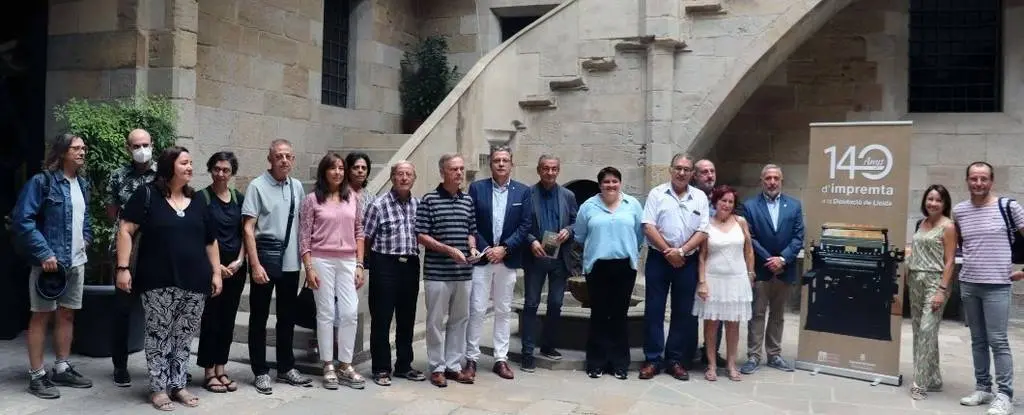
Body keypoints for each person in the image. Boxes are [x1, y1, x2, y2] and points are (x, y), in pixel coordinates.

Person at [115, 146, 223, 410]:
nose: (190, 167)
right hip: (158, 281)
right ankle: (157, 388)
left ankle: (178, 385)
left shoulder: (197, 200)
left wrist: (217, 272)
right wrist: (123, 267)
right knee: (158, 335)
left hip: (195, 281)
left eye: (190, 163)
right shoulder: (148, 195)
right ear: (169, 167)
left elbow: (210, 241)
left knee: (184, 336)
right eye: (184, 163)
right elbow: (126, 229)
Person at [11, 133, 94, 399]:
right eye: (76, 148)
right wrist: (44, 252)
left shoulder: (82, 183)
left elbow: (85, 220)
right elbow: (22, 220)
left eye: (83, 148)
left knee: (68, 313)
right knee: (41, 315)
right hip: (49, 264)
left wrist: (87, 239)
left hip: (76, 261)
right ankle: (37, 376)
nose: (82, 152)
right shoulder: (42, 182)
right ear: (62, 152)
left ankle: (61, 367)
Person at [241, 139, 312, 394]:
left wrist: (307, 262)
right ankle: (260, 371)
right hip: (264, 263)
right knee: (259, 318)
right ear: (269, 159)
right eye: (279, 156)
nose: (284, 160)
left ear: (293, 160)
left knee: (287, 318)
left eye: (288, 156)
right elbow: (248, 228)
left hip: (291, 264)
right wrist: (255, 264)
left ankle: (286, 367)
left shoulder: (296, 187)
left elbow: (303, 226)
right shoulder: (257, 186)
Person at [953, 161, 1023, 415]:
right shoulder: (960, 211)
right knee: (978, 340)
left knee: (999, 341)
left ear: (991, 181)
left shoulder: (1009, 207)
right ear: (967, 181)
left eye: (983, 179)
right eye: (974, 179)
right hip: (969, 283)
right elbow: (962, 245)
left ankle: (1004, 395)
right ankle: (983, 387)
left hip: (997, 286)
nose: (978, 183)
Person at [639, 153, 709, 381]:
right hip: (659, 259)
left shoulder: (699, 197)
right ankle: (652, 359)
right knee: (654, 311)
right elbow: (648, 226)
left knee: (682, 313)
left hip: (687, 261)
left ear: (692, 173)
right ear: (670, 170)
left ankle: (675, 360)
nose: (682, 172)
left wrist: (681, 251)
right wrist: (669, 252)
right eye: (678, 168)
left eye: (686, 169)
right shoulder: (657, 194)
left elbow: (703, 230)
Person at [299, 152, 366, 390]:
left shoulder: (352, 198)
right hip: (321, 260)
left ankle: (345, 364)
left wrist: (360, 264)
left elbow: (360, 232)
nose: (337, 172)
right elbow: (304, 236)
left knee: (349, 312)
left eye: (340, 168)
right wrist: (308, 268)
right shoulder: (311, 200)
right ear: (324, 172)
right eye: (332, 168)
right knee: (326, 312)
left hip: (348, 260)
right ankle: (328, 363)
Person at [465, 145, 532, 381]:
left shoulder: (523, 191)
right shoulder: (477, 188)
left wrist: (504, 248)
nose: (501, 164)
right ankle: (471, 358)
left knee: (503, 310)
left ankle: (500, 359)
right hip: (483, 259)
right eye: (496, 160)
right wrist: (487, 249)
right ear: (490, 164)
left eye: (505, 160)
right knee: (477, 309)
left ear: (511, 163)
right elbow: (471, 221)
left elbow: (525, 225)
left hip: (508, 258)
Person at [574, 167, 644, 380]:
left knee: (619, 316)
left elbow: (639, 236)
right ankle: (596, 362)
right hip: (597, 267)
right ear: (600, 185)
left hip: (624, 266)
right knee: (599, 315)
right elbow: (580, 235)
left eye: (614, 181)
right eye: (606, 182)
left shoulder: (632, 205)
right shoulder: (588, 206)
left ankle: (619, 364)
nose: (611, 185)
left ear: (620, 183)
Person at [415, 153, 478, 388]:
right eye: (454, 169)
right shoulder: (429, 199)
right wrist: (449, 250)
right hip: (437, 273)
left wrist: (472, 247)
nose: (459, 173)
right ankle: (437, 367)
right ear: (442, 172)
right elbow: (421, 235)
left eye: (461, 169)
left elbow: (471, 229)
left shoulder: (467, 201)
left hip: (463, 273)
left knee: (460, 320)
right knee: (434, 322)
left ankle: (453, 366)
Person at [365, 161, 426, 386]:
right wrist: (366, 265)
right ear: (392, 177)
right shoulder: (378, 205)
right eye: (399, 174)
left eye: (408, 174)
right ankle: (381, 368)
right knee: (381, 318)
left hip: (410, 265)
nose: (404, 178)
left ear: (413, 179)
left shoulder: (418, 205)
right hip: (385, 265)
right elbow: (367, 238)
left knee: (407, 318)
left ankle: (403, 365)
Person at [739, 164, 804, 375]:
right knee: (757, 313)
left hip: (785, 270)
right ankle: (753, 356)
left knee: (778, 314)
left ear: (781, 180)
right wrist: (769, 259)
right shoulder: (750, 206)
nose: (772, 182)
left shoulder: (794, 206)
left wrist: (783, 259)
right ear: (762, 181)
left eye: (776, 178)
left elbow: (798, 237)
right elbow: (750, 238)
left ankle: (774, 354)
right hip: (761, 268)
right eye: (768, 178)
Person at [106, 128, 157, 388]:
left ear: (153, 144)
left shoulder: (163, 174)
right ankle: (120, 366)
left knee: (158, 311)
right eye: (136, 146)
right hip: (127, 250)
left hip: (157, 250)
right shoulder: (118, 176)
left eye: (145, 144)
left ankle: (160, 365)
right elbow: (112, 211)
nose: (141, 150)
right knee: (122, 310)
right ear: (128, 148)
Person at [520, 155, 578, 372]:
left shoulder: (568, 196)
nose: (550, 173)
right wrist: (531, 240)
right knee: (531, 304)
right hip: (535, 257)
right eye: (546, 169)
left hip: (559, 258)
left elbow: (575, 221)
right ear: (538, 170)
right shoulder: (528, 194)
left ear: (559, 170)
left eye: (554, 169)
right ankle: (527, 353)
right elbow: (521, 224)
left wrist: (568, 231)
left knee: (555, 303)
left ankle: (548, 345)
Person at [196, 151, 247, 394]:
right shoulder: (202, 198)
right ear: (210, 169)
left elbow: (247, 232)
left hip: (236, 269)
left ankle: (221, 367)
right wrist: (216, 268)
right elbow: (199, 237)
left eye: (226, 170)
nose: (221, 174)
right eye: (217, 169)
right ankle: (208, 371)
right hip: (211, 270)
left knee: (228, 320)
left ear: (232, 173)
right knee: (211, 320)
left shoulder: (239, 198)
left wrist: (239, 261)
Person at [693, 185, 754, 382]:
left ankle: (731, 364)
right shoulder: (707, 224)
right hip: (713, 278)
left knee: (733, 324)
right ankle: (711, 364)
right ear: (715, 202)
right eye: (723, 201)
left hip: (736, 278)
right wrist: (702, 282)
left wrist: (750, 273)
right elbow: (702, 256)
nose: (726, 205)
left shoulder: (741, 222)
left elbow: (749, 250)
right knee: (711, 324)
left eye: (730, 202)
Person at [907, 184, 956, 400]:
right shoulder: (921, 223)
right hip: (916, 280)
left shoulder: (949, 226)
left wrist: (941, 290)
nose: (933, 203)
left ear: (944, 204)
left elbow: (950, 261)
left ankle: (920, 383)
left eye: (938, 200)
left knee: (927, 330)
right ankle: (934, 378)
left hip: (936, 282)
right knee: (921, 331)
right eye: (930, 199)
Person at [692, 158, 729, 367]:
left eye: (712, 171)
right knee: (690, 310)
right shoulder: (691, 198)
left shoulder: (722, 200)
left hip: (716, 263)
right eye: (704, 172)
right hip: (691, 261)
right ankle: (688, 350)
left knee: (716, 311)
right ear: (695, 176)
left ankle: (711, 352)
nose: (709, 175)